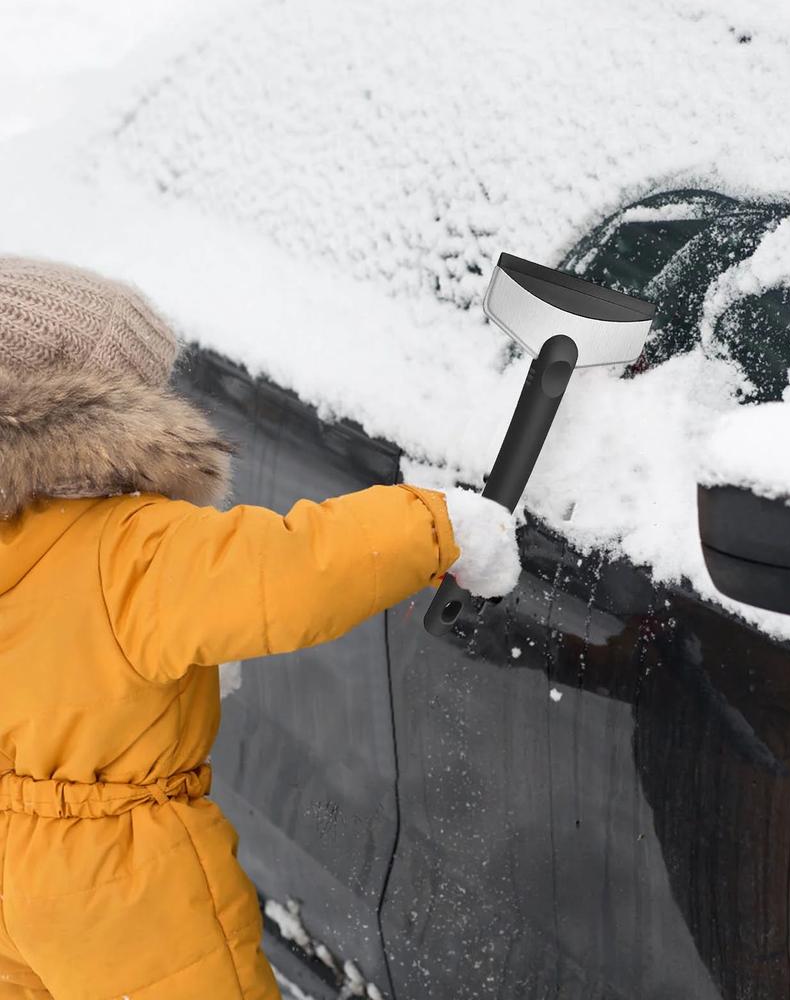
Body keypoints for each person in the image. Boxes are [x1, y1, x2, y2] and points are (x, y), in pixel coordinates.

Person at [0, 256, 520, 999]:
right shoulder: (131, 548)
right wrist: (435, 525)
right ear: (100, 416)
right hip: (121, 882)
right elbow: (291, 569)